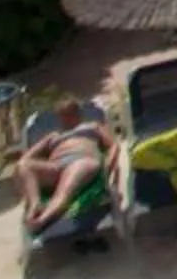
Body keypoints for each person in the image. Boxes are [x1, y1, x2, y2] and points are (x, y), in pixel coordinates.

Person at [14, 97, 114, 231]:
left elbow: (113, 146)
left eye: (70, 113)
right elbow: (26, 157)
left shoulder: (93, 126)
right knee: (22, 165)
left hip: (81, 160)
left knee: (63, 192)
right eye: (64, 115)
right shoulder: (53, 136)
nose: (67, 118)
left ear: (78, 114)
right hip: (56, 167)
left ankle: (41, 221)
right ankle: (35, 204)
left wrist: (109, 163)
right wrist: (29, 173)